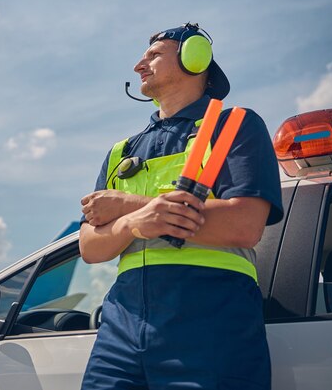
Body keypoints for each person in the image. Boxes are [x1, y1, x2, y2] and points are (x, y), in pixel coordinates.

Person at [79, 23, 283, 390]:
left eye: (154, 55)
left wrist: (128, 205)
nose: (139, 65)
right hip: (120, 331)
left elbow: (245, 225)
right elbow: (89, 247)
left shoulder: (235, 125)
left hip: (211, 326)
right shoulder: (120, 152)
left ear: (196, 57)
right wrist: (132, 224)